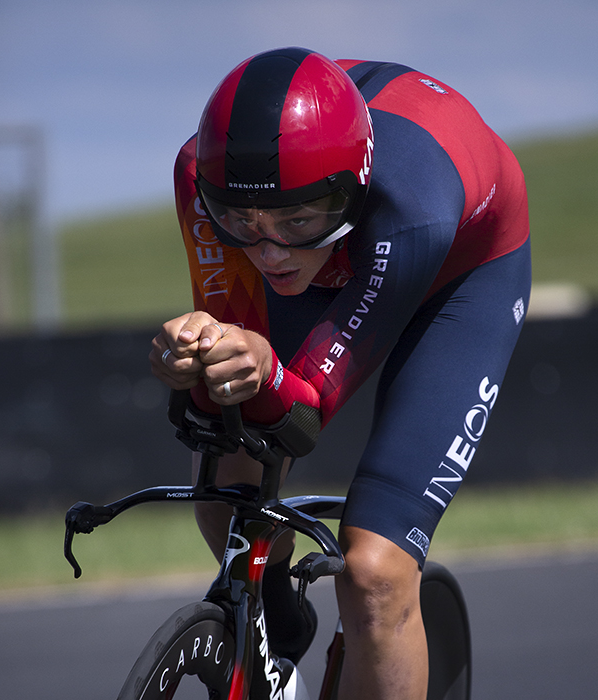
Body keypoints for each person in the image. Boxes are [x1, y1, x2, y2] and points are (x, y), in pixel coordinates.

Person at [151, 46, 531, 700]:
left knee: (376, 578)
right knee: (224, 492)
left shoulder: (411, 202)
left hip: (456, 273)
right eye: (242, 222)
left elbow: (300, 415)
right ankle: (277, 629)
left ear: (348, 191)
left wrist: (264, 370)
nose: (268, 250)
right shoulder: (203, 177)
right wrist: (193, 356)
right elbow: (230, 374)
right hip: (340, 244)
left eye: (296, 221)